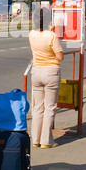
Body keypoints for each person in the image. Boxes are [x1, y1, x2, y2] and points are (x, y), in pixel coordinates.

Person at [29, 8, 63, 149]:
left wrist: (53, 26)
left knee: (38, 107)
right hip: (51, 73)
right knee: (49, 108)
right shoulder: (52, 36)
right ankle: (46, 141)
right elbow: (59, 56)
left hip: (36, 72)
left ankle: (35, 140)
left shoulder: (31, 34)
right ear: (49, 20)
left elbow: (43, 31)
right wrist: (55, 27)